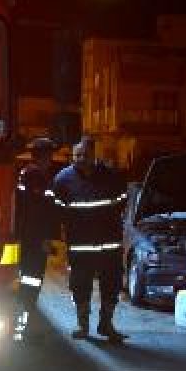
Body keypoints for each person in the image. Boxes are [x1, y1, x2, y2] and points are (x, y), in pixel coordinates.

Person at [50, 136, 128, 342]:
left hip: (109, 246)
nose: (81, 158)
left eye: (85, 154)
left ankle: (106, 325)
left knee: (111, 286)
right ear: (72, 156)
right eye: (77, 155)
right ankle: (82, 325)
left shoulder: (112, 177)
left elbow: (122, 202)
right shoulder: (62, 180)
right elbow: (56, 211)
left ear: (94, 155)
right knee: (79, 286)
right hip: (80, 247)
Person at [13, 136, 59, 340]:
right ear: (44, 155)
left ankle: (24, 321)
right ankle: (25, 325)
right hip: (34, 239)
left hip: (27, 236)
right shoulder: (36, 176)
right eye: (50, 154)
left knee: (27, 279)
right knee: (32, 280)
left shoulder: (26, 174)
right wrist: (44, 238)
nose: (51, 159)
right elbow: (39, 211)